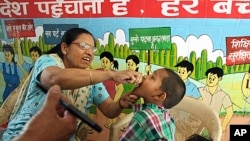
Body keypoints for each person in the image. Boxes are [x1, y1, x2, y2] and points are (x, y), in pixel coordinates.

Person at [1, 27, 142, 141]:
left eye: (92, 50)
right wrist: (112, 74)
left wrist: (120, 103)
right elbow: (54, 78)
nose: (90, 53)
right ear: (64, 48)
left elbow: (109, 110)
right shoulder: (48, 61)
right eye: (84, 46)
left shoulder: (90, 80)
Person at [119, 67, 186, 141]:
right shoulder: (168, 119)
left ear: (159, 95)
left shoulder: (143, 117)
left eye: (152, 77)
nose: (145, 76)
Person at [199, 67, 233, 132]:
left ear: (219, 79)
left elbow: (230, 112)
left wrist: (223, 126)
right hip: (197, 124)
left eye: (213, 78)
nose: (210, 80)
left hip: (212, 126)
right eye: (209, 78)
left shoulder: (223, 95)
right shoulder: (199, 91)